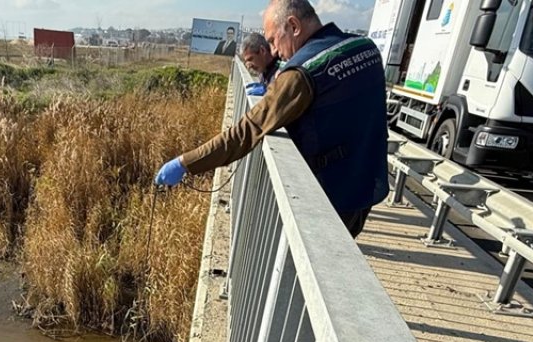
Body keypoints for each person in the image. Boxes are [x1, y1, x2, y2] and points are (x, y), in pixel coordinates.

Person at [156, 0, 389, 238]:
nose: (275, 51)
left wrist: (185, 163)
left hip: (332, 193)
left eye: (273, 40)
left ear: (293, 26)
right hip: (367, 178)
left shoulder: (302, 72)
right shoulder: (365, 47)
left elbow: (247, 131)